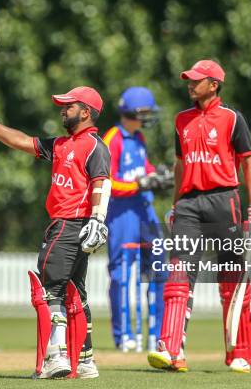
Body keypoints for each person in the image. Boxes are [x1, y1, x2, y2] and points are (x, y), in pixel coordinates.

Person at [0, 86, 111, 379]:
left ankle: (57, 357)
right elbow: (23, 142)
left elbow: (101, 183)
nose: (62, 109)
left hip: (70, 223)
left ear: (86, 112)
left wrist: (98, 219)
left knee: (50, 287)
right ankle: (84, 359)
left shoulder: (94, 145)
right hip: (69, 224)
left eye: (69, 106)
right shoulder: (61, 144)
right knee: (74, 292)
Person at [146, 60, 251, 373]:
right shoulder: (181, 119)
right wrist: (176, 205)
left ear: (213, 84)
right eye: (189, 80)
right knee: (178, 273)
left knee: (231, 274)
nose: (190, 84)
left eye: (197, 80)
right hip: (189, 204)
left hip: (224, 200)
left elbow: (248, 164)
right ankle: (171, 349)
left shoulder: (232, 119)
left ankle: (239, 352)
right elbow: (179, 165)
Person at [102, 87, 170, 351]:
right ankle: (124, 337)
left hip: (145, 209)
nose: (149, 116)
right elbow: (106, 181)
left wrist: (156, 176)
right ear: (133, 112)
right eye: (146, 112)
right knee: (121, 275)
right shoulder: (113, 138)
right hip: (122, 213)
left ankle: (157, 333)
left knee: (158, 270)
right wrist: (139, 184)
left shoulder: (139, 137)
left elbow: (145, 168)